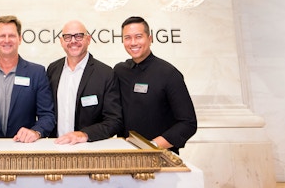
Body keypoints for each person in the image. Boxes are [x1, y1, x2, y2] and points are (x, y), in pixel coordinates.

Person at [114, 16, 197, 154]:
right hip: (126, 157)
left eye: (138, 36)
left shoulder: (169, 74)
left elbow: (188, 124)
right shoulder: (119, 71)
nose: (133, 42)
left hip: (161, 157)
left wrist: (150, 146)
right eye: (127, 38)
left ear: (150, 39)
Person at [46, 20, 123, 144]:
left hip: (89, 150)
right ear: (61, 41)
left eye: (79, 36)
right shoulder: (52, 69)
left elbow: (114, 120)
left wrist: (85, 134)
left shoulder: (105, 73)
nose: (73, 41)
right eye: (67, 37)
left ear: (88, 39)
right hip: (56, 147)